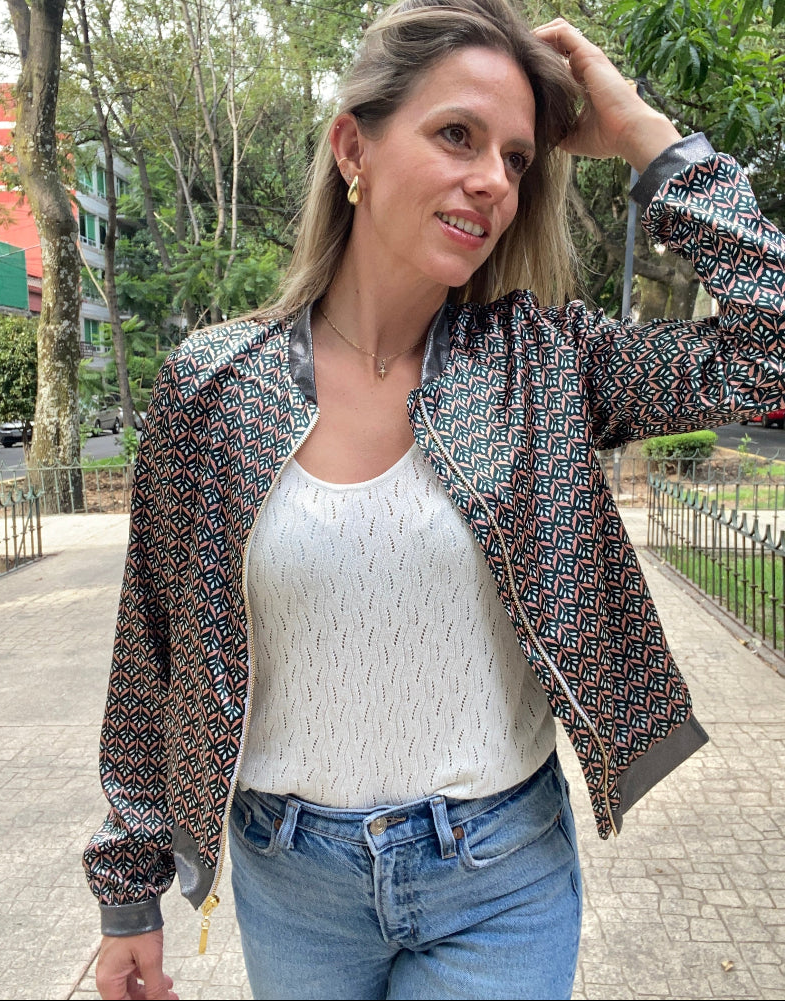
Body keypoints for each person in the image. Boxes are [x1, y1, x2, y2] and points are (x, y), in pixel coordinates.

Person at [83, 1, 785, 998]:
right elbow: (151, 652)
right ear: (352, 149)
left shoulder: (543, 362)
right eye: (457, 134)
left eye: (515, 157)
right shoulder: (215, 386)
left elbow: (770, 352)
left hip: (497, 875)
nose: (493, 178)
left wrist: (645, 135)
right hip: (293, 885)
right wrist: (128, 892)